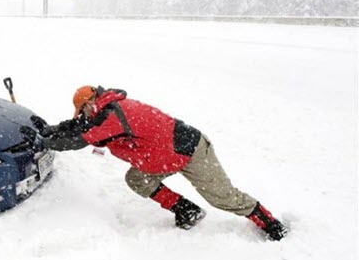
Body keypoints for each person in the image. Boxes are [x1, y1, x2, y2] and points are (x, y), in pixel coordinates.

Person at [34, 85, 287, 241]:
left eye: (84, 111)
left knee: (223, 198)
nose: (84, 117)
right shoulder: (106, 110)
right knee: (137, 178)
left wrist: (45, 144)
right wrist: (48, 130)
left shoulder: (114, 115)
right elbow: (80, 126)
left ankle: (272, 225)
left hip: (190, 150)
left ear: (90, 104)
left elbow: (81, 139)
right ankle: (187, 211)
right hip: (163, 157)